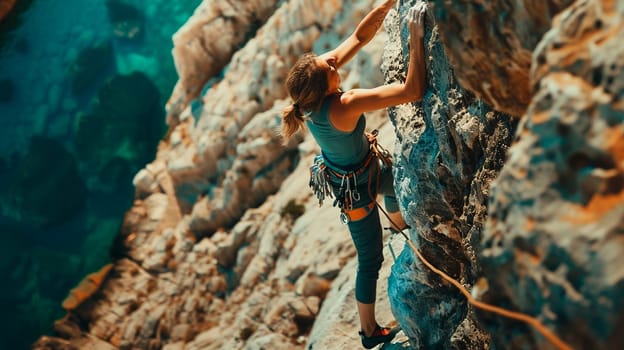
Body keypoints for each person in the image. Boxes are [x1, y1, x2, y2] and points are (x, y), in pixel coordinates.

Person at [281, 1, 427, 348]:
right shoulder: (344, 104)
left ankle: (398, 221)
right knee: (370, 258)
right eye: (329, 64)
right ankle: (368, 332)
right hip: (353, 190)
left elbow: (359, 38)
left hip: (365, 167)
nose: (334, 59)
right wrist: (415, 36)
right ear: (327, 84)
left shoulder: (313, 96)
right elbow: (412, 91)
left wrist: (387, 4)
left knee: (393, 177)